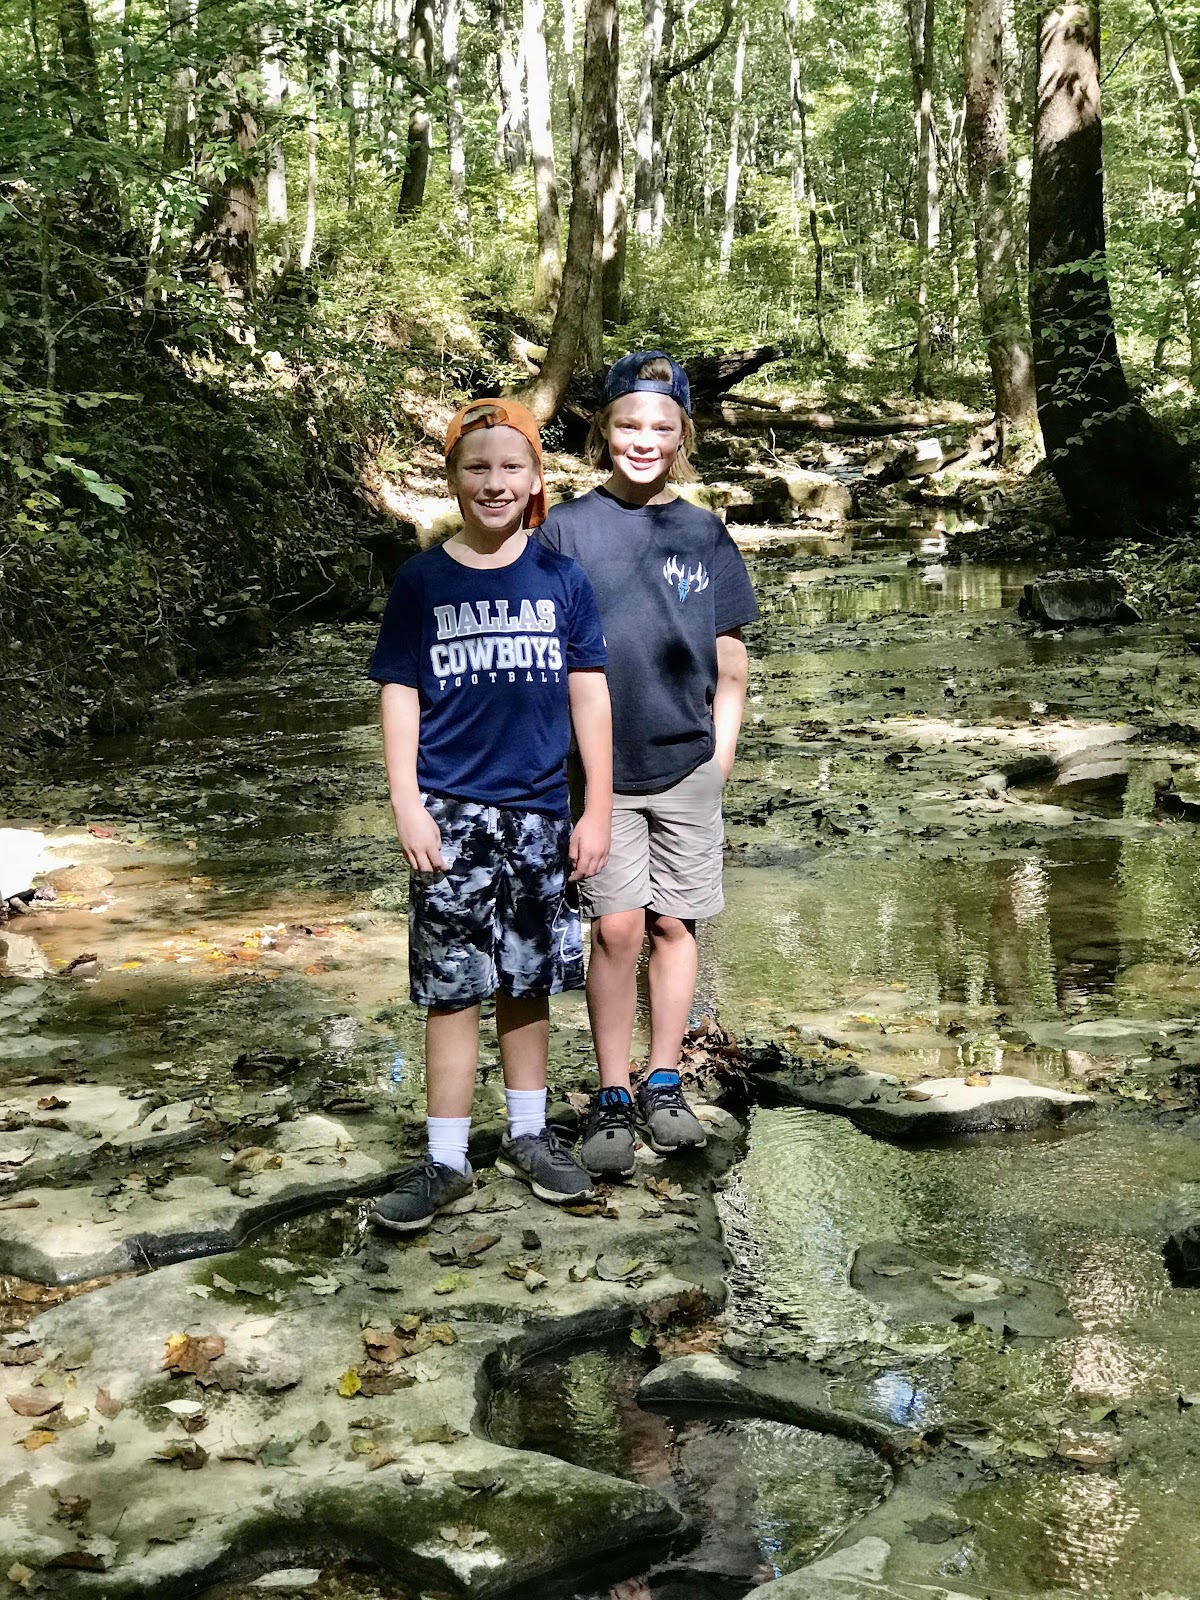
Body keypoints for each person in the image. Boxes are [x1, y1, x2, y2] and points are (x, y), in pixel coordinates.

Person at [368, 398, 613, 1231]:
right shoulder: (422, 581)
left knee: (527, 978)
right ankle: (444, 1160)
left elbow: (590, 697)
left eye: (512, 466)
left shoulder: (561, 578)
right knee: (452, 988)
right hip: (449, 812)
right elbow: (399, 693)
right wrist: (407, 802)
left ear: (537, 477)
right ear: (453, 479)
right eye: (477, 467)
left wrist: (596, 807)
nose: (495, 482)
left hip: (541, 813)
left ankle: (529, 1135)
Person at [538, 352, 759, 1181]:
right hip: (596, 776)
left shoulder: (703, 532)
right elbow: (541, 656)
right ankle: (611, 1091)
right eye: (629, 423)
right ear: (604, 429)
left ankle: (663, 1078)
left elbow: (730, 662)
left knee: (674, 924)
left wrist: (720, 758)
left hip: (688, 765)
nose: (644, 439)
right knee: (617, 927)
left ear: (683, 435)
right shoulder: (566, 530)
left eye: (661, 427)